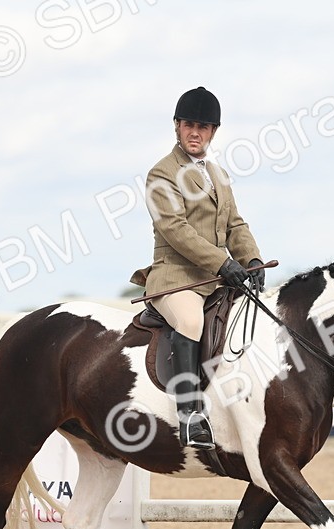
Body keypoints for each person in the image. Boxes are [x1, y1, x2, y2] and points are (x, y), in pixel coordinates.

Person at [130, 86, 266, 450]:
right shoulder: (162, 173)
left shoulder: (218, 175)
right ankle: (191, 416)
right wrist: (224, 262)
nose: (196, 132)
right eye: (189, 124)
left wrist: (251, 258)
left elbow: (235, 224)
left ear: (213, 132)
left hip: (216, 278)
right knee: (190, 322)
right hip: (175, 278)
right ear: (177, 126)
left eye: (204, 127)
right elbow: (175, 230)